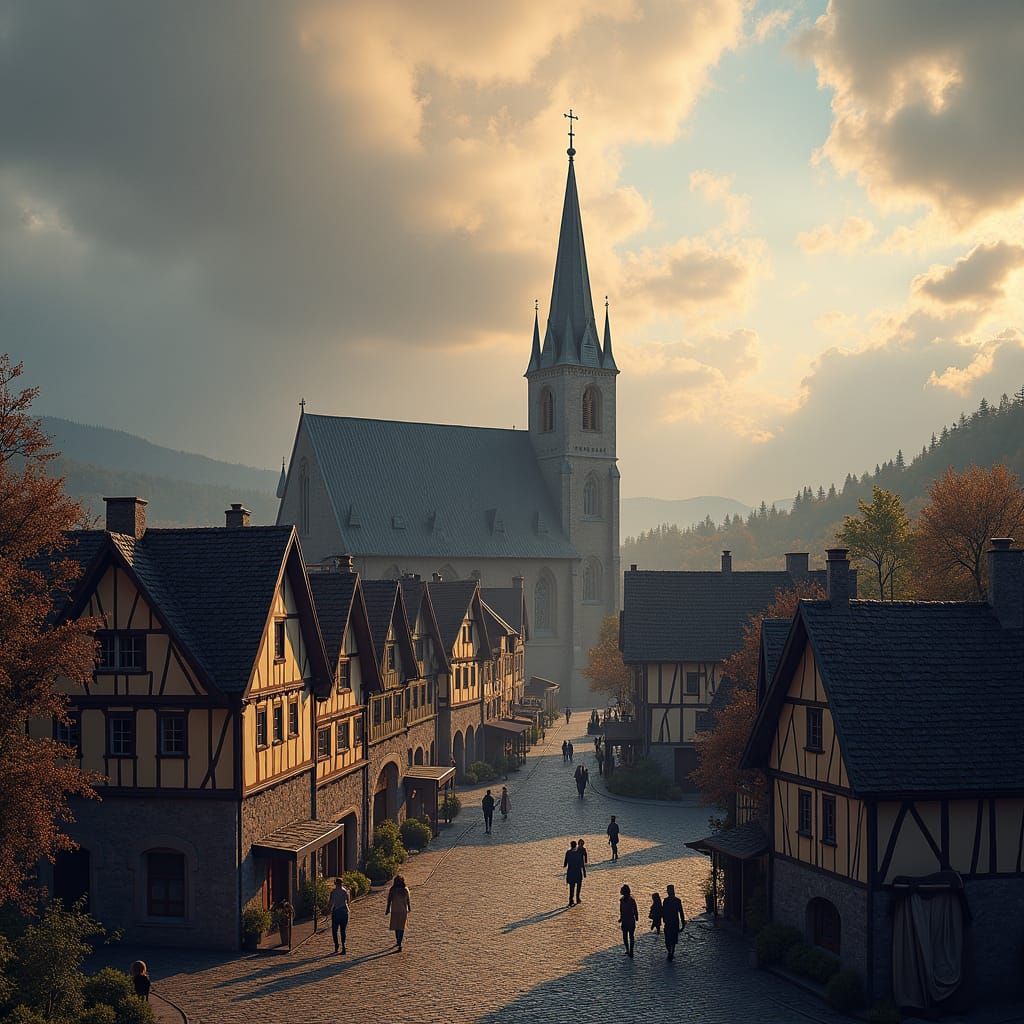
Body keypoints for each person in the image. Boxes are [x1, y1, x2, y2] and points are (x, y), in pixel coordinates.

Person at [385, 875, 412, 952]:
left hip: (395, 910)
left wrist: (387, 909)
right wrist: (409, 907)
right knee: (401, 927)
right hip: (403, 911)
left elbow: (389, 900)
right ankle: (399, 942)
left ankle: (398, 940)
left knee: (397, 926)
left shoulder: (393, 890)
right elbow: (408, 900)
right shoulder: (405, 889)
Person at [661, 884, 685, 961]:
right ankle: (671, 952)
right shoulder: (674, 901)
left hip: (670, 922)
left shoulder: (669, 901)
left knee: (669, 939)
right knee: (671, 939)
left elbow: (680, 912)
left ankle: (670, 952)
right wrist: (683, 922)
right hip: (672, 922)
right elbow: (681, 913)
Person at [328, 876, 351, 954]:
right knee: (343, 930)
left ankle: (336, 946)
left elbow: (330, 903)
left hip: (336, 911)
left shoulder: (333, 892)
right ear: (342, 883)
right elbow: (348, 902)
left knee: (334, 930)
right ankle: (343, 946)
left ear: (335, 884)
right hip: (344, 911)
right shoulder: (345, 891)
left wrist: (328, 910)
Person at [619, 885, 639, 957]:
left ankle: (630, 950)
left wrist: (636, 916)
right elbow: (621, 911)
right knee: (627, 936)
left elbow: (635, 909)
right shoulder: (622, 900)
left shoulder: (631, 900)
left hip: (629, 920)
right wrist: (621, 918)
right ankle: (628, 950)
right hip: (627, 920)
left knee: (630, 936)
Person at [563, 840, 584, 906]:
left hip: (571, 871)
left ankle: (571, 900)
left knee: (571, 886)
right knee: (579, 885)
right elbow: (582, 863)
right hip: (578, 871)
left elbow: (565, 864)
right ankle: (577, 898)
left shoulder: (568, 852)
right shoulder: (579, 852)